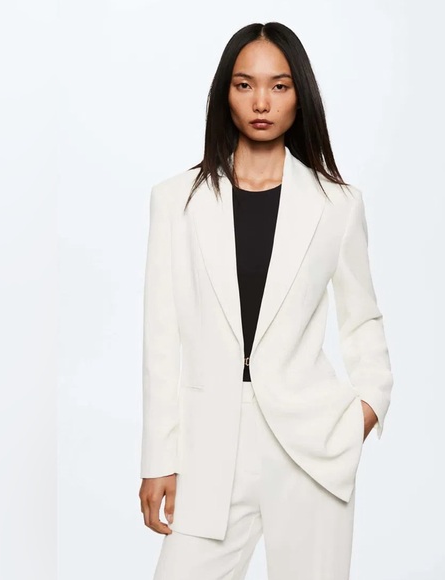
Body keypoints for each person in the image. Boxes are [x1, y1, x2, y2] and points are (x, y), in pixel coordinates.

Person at [138, 21, 394, 580]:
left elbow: (362, 319)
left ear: (300, 95)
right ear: (224, 94)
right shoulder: (175, 201)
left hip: (311, 443)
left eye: (279, 86)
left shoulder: (338, 205)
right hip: (210, 445)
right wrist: (159, 458)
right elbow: (160, 338)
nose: (261, 102)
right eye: (244, 85)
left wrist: (366, 408)